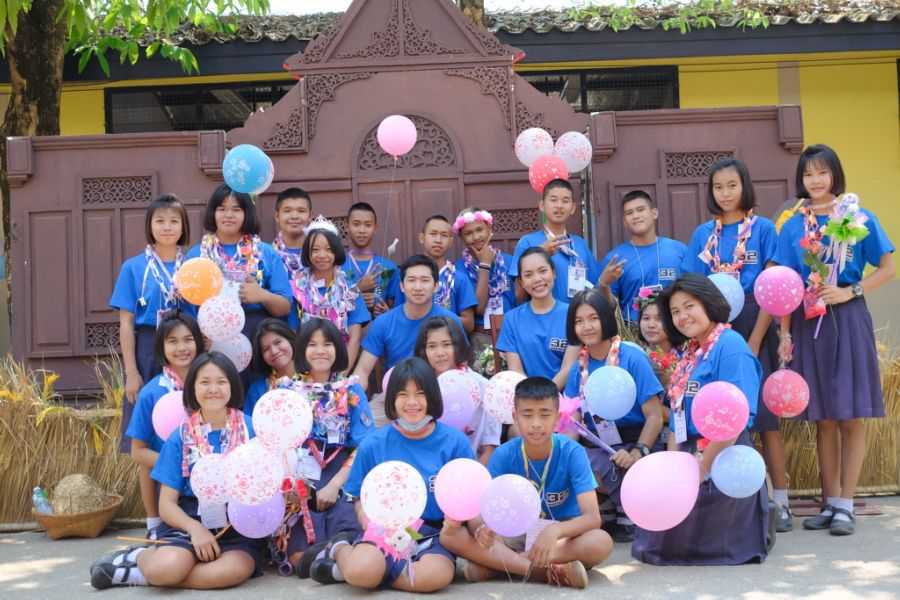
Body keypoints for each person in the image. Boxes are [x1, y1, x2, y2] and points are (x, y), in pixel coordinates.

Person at [774, 144, 895, 536]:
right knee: (823, 416)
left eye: (822, 172)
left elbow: (888, 267)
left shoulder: (857, 215)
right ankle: (829, 502)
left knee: (851, 414)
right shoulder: (792, 225)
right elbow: (785, 284)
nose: (815, 180)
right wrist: (785, 334)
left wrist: (849, 291)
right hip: (808, 322)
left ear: (835, 175)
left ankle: (846, 505)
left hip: (848, 316)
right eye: (808, 174)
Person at [90, 352, 263, 590]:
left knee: (233, 571)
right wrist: (196, 529)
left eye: (221, 382)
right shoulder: (180, 436)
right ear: (192, 388)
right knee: (166, 568)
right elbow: (167, 504)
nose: (213, 389)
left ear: (233, 386)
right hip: (188, 521)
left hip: (236, 525)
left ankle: (138, 576)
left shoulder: (251, 429)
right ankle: (142, 558)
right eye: (205, 382)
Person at [681, 158, 790, 532]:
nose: (725, 193)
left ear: (744, 186)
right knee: (722, 414)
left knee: (765, 420)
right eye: (718, 187)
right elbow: (692, 288)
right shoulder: (702, 234)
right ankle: (725, 498)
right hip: (713, 331)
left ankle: (780, 500)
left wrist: (756, 339)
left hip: (755, 324)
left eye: (732, 185)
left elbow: (771, 290)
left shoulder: (763, 229)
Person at [632, 274, 770, 566]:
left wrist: (702, 467)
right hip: (688, 452)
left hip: (724, 455)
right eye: (675, 311)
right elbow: (677, 412)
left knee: (673, 543)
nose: (682, 316)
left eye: (689, 306)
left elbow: (735, 419)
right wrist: (674, 467)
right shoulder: (692, 351)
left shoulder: (731, 346)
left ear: (708, 303)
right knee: (650, 540)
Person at [308, 357, 475, 592]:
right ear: (392, 399)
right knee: (361, 571)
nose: (412, 402)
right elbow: (357, 496)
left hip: (434, 534)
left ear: (432, 396)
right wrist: (367, 520)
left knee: (433, 577)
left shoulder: (455, 442)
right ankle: (340, 548)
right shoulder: (373, 444)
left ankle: (347, 573)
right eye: (403, 395)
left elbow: (470, 495)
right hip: (383, 530)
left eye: (420, 394)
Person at [440, 376, 612, 589]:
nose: (536, 424)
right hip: (514, 533)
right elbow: (482, 509)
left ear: (557, 418)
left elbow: (592, 517)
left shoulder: (572, 452)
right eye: (527, 415)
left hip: (560, 536)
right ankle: (543, 571)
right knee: (450, 536)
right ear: (515, 417)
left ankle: (500, 565)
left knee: (600, 542)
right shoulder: (504, 454)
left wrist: (555, 531)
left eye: (545, 414)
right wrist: (481, 528)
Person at [563, 289, 665, 542]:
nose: (586, 326)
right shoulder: (578, 368)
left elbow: (654, 416)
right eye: (579, 321)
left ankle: (628, 505)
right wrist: (564, 452)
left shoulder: (632, 358)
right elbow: (574, 420)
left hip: (636, 442)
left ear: (606, 318)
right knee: (571, 458)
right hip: (599, 444)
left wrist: (638, 451)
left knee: (630, 465)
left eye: (593, 318)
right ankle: (609, 502)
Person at [276, 319, 375, 577]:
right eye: (312, 344)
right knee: (297, 556)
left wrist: (335, 485)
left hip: (342, 474)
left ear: (338, 349)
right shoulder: (286, 390)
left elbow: (365, 446)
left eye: (328, 344)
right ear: (301, 349)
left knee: (350, 535)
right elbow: (275, 443)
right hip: (299, 475)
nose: (320, 351)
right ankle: (332, 562)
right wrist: (290, 483)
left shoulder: (350, 389)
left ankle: (333, 560)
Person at [110, 194, 192, 451]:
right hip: (147, 346)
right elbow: (126, 323)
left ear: (183, 226)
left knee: (187, 416)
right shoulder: (133, 267)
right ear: (150, 225)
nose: (167, 227)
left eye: (174, 221)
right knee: (145, 424)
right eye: (160, 221)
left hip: (187, 347)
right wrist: (131, 372)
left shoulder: (194, 265)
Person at [126, 311, 203, 540]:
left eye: (188, 339)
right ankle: (154, 523)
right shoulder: (151, 393)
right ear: (161, 347)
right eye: (173, 341)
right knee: (147, 464)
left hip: (207, 471)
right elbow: (137, 452)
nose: (182, 348)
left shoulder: (210, 386)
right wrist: (176, 463)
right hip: (170, 476)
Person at [186, 183, 292, 342]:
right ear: (213, 213)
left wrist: (262, 296)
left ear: (247, 213)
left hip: (258, 339)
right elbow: (186, 309)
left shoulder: (265, 253)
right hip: (209, 340)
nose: (228, 215)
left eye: (236, 209)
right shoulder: (197, 256)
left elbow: (285, 307)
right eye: (221, 209)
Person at [352, 255, 463, 391]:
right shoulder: (383, 323)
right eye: (411, 280)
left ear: (436, 286)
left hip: (442, 392)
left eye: (425, 280)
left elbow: (462, 368)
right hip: (398, 394)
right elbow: (362, 371)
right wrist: (354, 397)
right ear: (402, 286)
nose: (418, 287)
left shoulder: (451, 321)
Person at [414, 316, 501, 463]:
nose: (440, 353)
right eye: (432, 346)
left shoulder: (483, 387)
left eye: (446, 344)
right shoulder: (418, 387)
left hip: (472, 466)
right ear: (424, 351)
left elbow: (490, 448)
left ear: (458, 346)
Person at [288, 216, 369, 366]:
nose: (322, 255)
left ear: (336, 251)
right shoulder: (297, 288)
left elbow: (354, 338)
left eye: (328, 249)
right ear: (307, 253)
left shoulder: (349, 289)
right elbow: (292, 333)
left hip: (341, 363)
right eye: (315, 250)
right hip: (306, 364)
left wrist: (342, 374)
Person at [598, 190, 687, 324]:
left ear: (654, 213)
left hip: (676, 327)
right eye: (629, 213)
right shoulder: (615, 259)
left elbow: (692, 292)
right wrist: (603, 284)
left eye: (640, 210)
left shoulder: (678, 250)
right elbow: (608, 307)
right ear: (625, 222)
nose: (636, 216)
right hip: (634, 330)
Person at [497, 248, 580, 389]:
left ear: (554, 273)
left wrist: (547, 396)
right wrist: (531, 397)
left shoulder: (572, 314)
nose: (537, 279)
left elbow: (568, 368)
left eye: (543, 271)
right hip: (526, 395)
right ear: (521, 282)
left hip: (565, 396)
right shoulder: (511, 319)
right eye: (528, 275)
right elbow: (515, 372)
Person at [510, 179, 600, 303]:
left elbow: (594, 287)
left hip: (576, 314)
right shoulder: (527, 242)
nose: (559, 205)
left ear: (573, 208)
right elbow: (518, 295)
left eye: (565, 201)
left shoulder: (580, 244)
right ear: (542, 205)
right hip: (541, 314)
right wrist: (540, 254)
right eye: (553, 200)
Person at [452, 207, 516, 359]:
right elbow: (479, 309)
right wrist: (485, 265)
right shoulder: (458, 270)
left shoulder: (509, 261)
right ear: (461, 237)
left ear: (489, 229)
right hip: (479, 338)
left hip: (510, 334)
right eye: (468, 233)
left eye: (479, 230)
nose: (476, 237)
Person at [400, 215, 477, 332]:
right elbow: (400, 315)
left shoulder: (459, 278)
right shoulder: (408, 277)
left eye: (444, 235)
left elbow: (469, 324)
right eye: (433, 234)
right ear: (421, 238)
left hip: (449, 341)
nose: (438, 240)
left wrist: (436, 318)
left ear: (451, 242)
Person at [341, 202, 401, 319]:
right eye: (356, 224)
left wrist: (386, 312)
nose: (362, 230)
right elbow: (329, 307)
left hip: (380, 328)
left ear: (375, 228)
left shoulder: (389, 267)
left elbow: (398, 310)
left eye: (368, 225)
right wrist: (357, 292)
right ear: (347, 226)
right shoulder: (337, 265)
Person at [245, 318, 298, 417]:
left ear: (290, 339)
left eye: (277, 342)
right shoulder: (257, 390)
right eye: (266, 349)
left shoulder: (315, 375)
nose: (274, 351)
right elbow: (250, 423)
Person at [272, 187, 313, 286]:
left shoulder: (319, 253)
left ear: (310, 216)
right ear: (277, 216)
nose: (294, 216)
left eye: (301, 211)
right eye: (287, 211)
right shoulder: (267, 255)